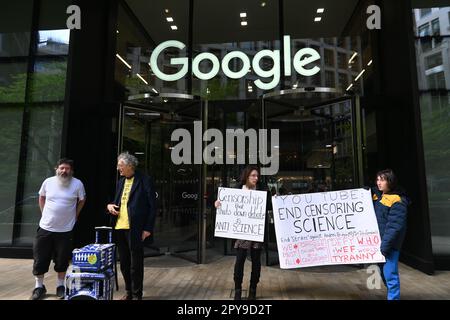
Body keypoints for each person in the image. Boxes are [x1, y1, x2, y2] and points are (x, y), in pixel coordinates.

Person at [31, 158, 86, 300]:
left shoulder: (77, 184)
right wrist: (44, 214)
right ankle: (39, 287)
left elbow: (82, 200)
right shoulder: (48, 182)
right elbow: (41, 197)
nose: (64, 171)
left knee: (62, 259)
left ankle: (60, 286)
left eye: (67, 168)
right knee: (40, 258)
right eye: (61, 168)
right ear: (57, 169)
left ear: (71, 171)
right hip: (45, 227)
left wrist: (75, 216)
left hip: (66, 229)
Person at [107, 152, 156, 300]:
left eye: (120, 166)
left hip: (136, 228)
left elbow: (152, 206)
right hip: (119, 227)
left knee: (136, 265)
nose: (118, 168)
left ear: (129, 166)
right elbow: (115, 201)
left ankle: (137, 295)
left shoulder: (145, 180)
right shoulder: (121, 182)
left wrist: (148, 228)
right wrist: (109, 206)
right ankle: (128, 291)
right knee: (124, 263)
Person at [215, 166, 263, 300]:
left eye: (257, 176)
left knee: (256, 262)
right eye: (253, 175)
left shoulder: (261, 190)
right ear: (247, 176)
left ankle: (253, 288)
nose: (256, 178)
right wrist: (218, 203)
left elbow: (268, 205)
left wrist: (275, 200)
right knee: (240, 261)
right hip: (241, 232)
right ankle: (237, 289)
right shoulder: (237, 189)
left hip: (256, 232)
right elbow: (225, 203)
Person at [371, 169, 409, 300]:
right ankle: (391, 295)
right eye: (377, 179)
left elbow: (394, 227)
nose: (378, 183)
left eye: (382, 180)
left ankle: (393, 297)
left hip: (390, 245)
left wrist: (385, 246)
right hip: (380, 244)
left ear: (390, 181)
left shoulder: (397, 200)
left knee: (390, 274)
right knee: (383, 273)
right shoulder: (379, 196)